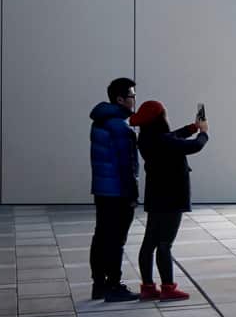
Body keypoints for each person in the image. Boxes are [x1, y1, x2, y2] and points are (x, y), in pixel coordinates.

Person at [132, 100, 208, 301]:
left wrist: (191, 128)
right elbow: (194, 147)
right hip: (172, 196)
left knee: (150, 242)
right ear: (159, 119)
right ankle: (167, 287)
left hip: (156, 195)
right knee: (165, 243)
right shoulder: (162, 140)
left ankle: (148, 287)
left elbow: (172, 137)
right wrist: (203, 133)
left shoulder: (147, 138)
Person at [88, 77, 140, 302]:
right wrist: (132, 195)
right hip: (118, 192)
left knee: (101, 236)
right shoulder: (119, 127)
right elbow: (126, 164)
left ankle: (99, 285)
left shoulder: (100, 121)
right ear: (120, 99)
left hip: (102, 189)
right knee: (116, 240)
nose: (134, 99)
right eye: (132, 96)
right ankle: (114, 286)